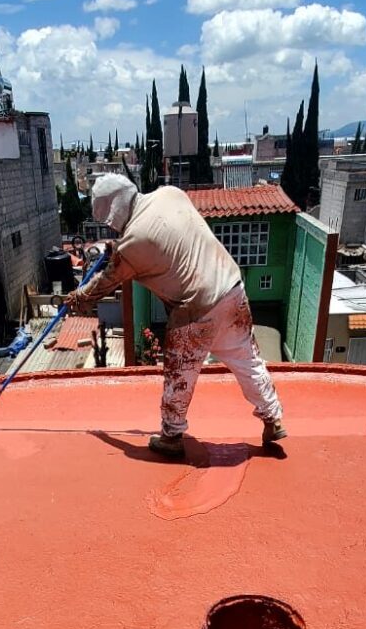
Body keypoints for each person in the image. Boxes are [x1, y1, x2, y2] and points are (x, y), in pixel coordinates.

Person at [65, 175, 286, 458]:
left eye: (109, 220)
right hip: (232, 289)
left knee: (179, 374)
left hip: (197, 309)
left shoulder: (132, 244)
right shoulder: (170, 194)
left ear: (113, 210)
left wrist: (81, 297)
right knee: (247, 360)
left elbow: (106, 282)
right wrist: (118, 250)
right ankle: (272, 418)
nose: (111, 226)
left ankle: (171, 436)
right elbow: (166, 238)